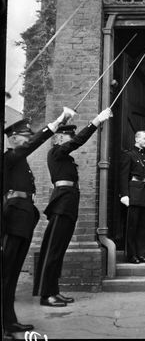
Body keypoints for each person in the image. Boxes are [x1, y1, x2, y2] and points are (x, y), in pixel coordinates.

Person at [3, 108, 74, 334]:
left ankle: (8, 320)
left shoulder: (18, 161)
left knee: (11, 276)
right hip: (13, 220)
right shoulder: (10, 157)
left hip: (22, 219)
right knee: (6, 275)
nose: (28, 139)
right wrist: (57, 122)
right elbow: (32, 144)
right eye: (25, 136)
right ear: (14, 139)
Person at [32, 108, 112, 307]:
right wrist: (96, 121)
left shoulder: (64, 157)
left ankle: (54, 291)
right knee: (53, 250)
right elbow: (77, 142)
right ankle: (45, 294)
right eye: (68, 136)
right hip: (61, 204)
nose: (71, 140)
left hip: (68, 204)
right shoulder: (56, 152)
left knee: (58, 251)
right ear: (58, 138)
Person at [119, 131, 145, 264]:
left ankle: (142, 253)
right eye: (144, 138)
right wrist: (124, 194)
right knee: (133, 225)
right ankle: (132, 255)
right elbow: (123, 176)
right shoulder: (129, 155)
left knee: (144, 226)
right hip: (134, 193)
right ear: (136, 139)